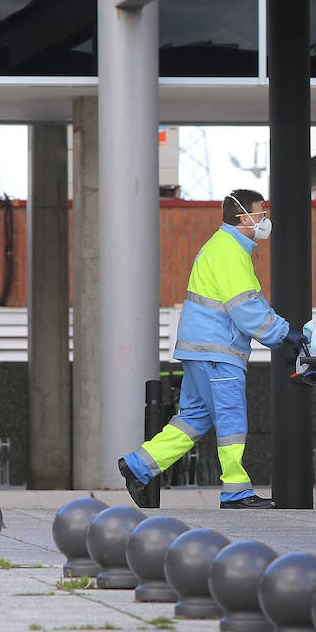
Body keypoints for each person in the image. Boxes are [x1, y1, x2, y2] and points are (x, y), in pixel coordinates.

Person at [118, 189, 301, 509]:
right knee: (231, 419)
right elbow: (246, 310)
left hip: (201, 350)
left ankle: (138, 465)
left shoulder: (223, 248)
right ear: (244, 217)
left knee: (193, 419)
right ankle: (236, 490)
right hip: (219, 351)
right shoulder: (230, 252)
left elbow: (247, 305)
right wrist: (284, 335)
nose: (265, 218)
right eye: (261, 212)